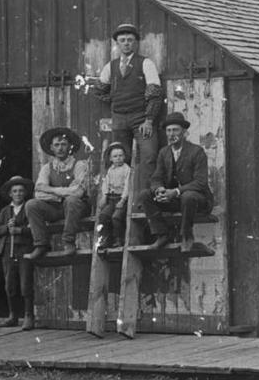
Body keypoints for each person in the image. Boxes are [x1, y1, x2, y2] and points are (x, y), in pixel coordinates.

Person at [92, 22, 163, 188]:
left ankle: (145, 196)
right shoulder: (111, 66)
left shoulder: (145, 63)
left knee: (149, 155)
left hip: (141, 119)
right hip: (119, 119)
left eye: (130, 40)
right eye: (122, 40)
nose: (126, 43)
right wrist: (115, 99)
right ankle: (122, 199)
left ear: (135, 42)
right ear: (117, 43)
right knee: (120, 159)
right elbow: (99, 90)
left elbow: (155, 94)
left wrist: (149, 120)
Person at [141, 112, 214, 253]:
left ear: (184, 132)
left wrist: (175, 192)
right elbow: (156, 177)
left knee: (188, 197)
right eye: (168, 130)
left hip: (197, 200)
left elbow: (200, 182)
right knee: (145, 195)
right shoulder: (164, 152)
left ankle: (187, 236)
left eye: (175, 130)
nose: (171, 134)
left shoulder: (196, 152)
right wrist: (159, 189)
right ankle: (162, 234)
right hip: (174, 200)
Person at [24, 127, 89, 260]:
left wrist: (51, 190)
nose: (60, 148)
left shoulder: (79, 165)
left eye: (64, 144)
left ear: (70, 147)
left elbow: (78, 192)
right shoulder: (47, 168)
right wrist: (63, 193)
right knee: (32, 204)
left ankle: (69, 242)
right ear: (51, 148)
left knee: (71, 200)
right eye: (57, 145)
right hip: (56, 208)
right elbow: (39, 192)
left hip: (77, 207)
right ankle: (41, 244)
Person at [0, 176, 35, 330]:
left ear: (25, 193)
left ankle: (29, 316)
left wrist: (20, 230)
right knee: (10, 285)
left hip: (24, 250)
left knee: (25, 285)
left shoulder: (30, 208)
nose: (18, 194)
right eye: (15, 191)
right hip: (8, 252)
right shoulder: (5, 211)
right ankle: (13, 316)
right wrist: (6, 228)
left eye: (21, 191)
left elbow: (35, 230)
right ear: (10, 194)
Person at [94, 142, 131, 252]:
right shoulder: (110, 170)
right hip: (111, 199)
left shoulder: (127, 169)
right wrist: (105, 196)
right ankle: (105, 239)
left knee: (116, 217)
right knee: (104, 216)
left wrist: (123, 200)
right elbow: (106, 184)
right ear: (110, 158)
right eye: (115, 156)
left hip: (121, 199)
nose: (118, 158)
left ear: (124, 156)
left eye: (121, 156)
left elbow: (128, 186)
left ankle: (118, 239)